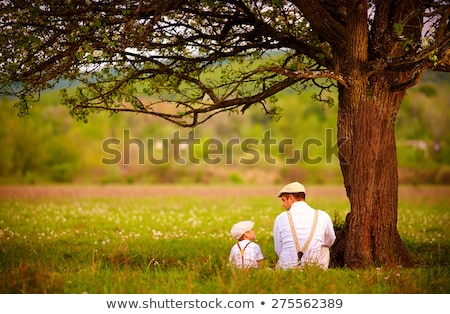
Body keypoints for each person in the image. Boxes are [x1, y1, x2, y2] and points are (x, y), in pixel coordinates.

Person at [273, 182, 336, 270]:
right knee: (324, 248)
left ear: (291, 198)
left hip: (287, 269)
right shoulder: (323, 216)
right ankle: (320, 271)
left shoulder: (280, 218)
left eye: (283, 200)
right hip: (313, 267)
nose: (282, 204)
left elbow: (278, 248)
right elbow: (330, 240)